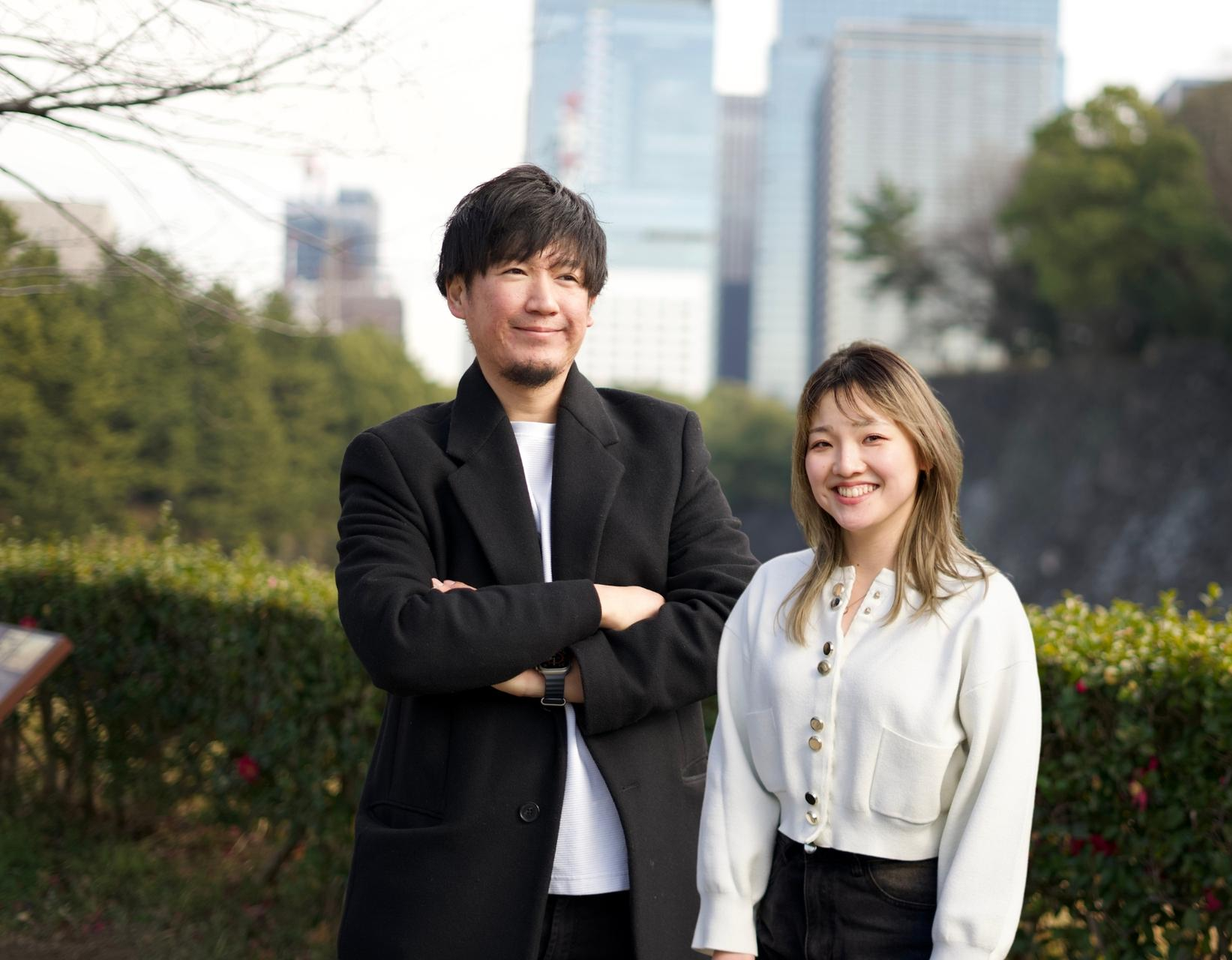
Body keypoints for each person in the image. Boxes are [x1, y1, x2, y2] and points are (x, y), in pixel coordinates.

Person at [334, 164, 757, 960]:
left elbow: (730, 622)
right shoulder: (397, 459)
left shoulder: (663, 443)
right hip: (453, 891)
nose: (543, 300)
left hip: (648, 890)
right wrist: (600, 602)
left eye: (567, 277)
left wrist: (552, 678)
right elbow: (401, 635)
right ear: (458, 293)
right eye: (514, 271)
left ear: (590, 304)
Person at [692, 342, 1042, 960]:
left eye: (872, 437)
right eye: (822, 443)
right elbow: (735, 769)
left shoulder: (981, 606)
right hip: (776, 916)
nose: (845, 463)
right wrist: (728, 929)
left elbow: (996, 803)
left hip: (905, 925)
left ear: (924, 450)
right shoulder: (771, 589)